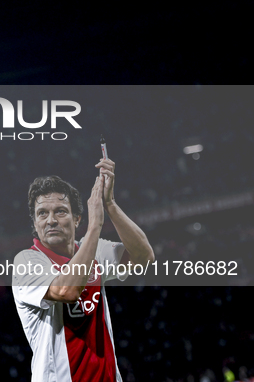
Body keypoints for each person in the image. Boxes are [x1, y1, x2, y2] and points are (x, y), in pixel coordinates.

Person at [11, 158, 154, 382]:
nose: (50, 221)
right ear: (35, 224)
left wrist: (111, 206)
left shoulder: (92, 248)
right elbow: (66, 291)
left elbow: (144, 256)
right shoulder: (27, 261)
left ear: (77, 219)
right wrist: (95, 225)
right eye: (42, 213)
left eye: (60, 211)